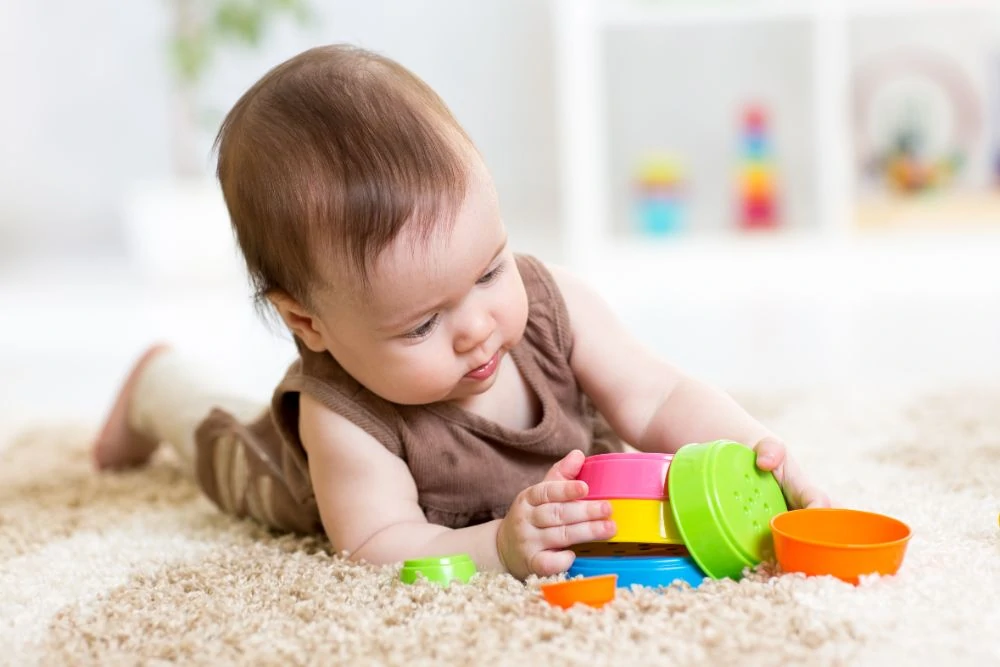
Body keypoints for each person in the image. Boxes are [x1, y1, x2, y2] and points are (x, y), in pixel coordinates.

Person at [93, 44, 830, 580]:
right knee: (212, 437)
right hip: (285, 475)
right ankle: (155, 383)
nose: (477, 326)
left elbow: (658, 394)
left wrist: (756, 446)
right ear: (310, 323)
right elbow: (380, 541)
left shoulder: (551, 305)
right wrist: (495, 549)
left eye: (488, 270)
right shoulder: (343, 415)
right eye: (420, 324)